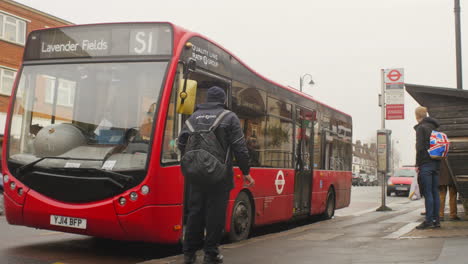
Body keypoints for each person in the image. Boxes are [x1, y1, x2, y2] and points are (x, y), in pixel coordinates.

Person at [178, 86, 255, 264]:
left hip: (195, 175)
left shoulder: (193, 118)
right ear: (223, 101)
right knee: (215, 214)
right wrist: (246, 172)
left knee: (195, 213)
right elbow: (240, 148)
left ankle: (189, 254)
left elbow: (181, 143)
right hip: (220, 175)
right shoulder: (229, 117)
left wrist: (195, 161)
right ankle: (210, 253)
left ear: (206, 100)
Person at [414, 106, 441, 229]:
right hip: (436, 163)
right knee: (435, 192)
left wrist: (417, 164)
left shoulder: (421, 128)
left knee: (428, 193)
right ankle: (436, 221)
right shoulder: (434, 127)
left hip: (425, 163)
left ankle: (428, 220)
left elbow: (419, 148)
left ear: (417, 116)